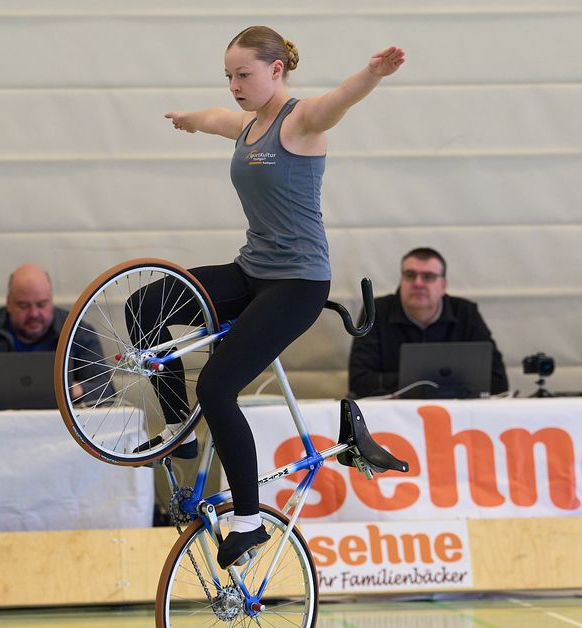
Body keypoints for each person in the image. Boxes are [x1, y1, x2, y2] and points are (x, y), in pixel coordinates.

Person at [139, 26, 405, 568]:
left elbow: (338, 102)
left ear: (276, 70)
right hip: (252, 270)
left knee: (217, 386)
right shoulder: (247, 125)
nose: (235, 85)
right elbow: (218, 118)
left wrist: (372, 74)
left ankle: (248, 520)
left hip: (298, 285)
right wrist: (189, 120)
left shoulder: (301, 122)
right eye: (229, 76)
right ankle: (177, 431)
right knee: (144, 307)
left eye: (244, 74)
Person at [348, 247, 509, 398]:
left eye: (428, 277)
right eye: (410, 275)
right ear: (401, 280)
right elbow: (358, 381)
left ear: (443, 285)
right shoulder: (377, 311)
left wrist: (414, 384)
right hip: (393, 417)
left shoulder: (466, 312)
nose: (418, 283)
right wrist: (445, 384)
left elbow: (498, 382)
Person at [0, 263, 105, 409]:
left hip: (61, 431)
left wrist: (75, 390)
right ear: (8, 303)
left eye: (42, 304)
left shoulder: (78, 332)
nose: (34, 313)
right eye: (23, 306)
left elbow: (106, 389)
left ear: (51, 300)